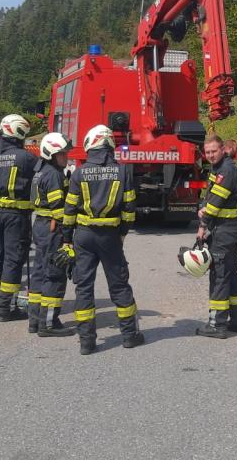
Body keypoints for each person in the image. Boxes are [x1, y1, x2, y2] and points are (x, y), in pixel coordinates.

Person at [60, 124, 143, 355]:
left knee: (84, 287)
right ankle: (129, 336)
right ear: (110, 145)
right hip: (110, 237)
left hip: (83, 236)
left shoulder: (79, 173)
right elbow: (129, 210)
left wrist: (67, 239)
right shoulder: (123, 172)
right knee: (119, 285)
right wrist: (122, 233)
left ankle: (87, 342)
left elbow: (69, 211)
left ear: (90, 145)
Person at [0, 114, 39, 321]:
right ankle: (6, 308)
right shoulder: (27, 158)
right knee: (13, 259)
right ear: (19, 133)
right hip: (17, 217)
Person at [195, 133, 237, 338]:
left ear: (222, 150)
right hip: (227, 229)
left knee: (219, 276)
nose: (210, 155)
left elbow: (215, 204)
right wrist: (203, 206)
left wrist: (202, 226)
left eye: (214, 151)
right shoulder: (218, 168)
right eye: (207, 152)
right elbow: (210, 195)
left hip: (226, 230)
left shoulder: (226, 170)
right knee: (230, 274)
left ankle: (217, 324)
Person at [28, 131, 74, 336]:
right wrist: (68, 238)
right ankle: (49, 324)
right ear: (52, 154)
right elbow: (59, 209)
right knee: (54, 275)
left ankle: (35, 320)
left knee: (39, 272)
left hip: (41, 225)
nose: (66, 156)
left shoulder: (41, 171)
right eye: (63, 153)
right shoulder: (54, 175)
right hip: (53, 228)